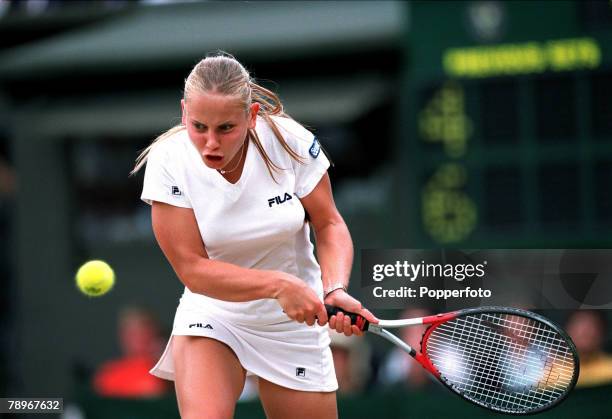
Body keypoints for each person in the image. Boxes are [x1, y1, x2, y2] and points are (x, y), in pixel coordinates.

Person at [132, 53, 377, 419]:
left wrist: (334, 289)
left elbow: (329, 224)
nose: (210, 142)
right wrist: (278, 285)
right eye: (199, 126)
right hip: (215, 313)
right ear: (184, 113)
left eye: (226, 128)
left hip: (292, 324)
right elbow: (192, 270)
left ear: (251, 117)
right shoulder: (168, 161)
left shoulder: (291, 142)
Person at [92, 306, 169, 398]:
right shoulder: (108, 374)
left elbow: (154, 388)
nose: (138, 338)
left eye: (143, 331)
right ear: (122, 335)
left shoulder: (165, 370)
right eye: (131, 333)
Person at [565, 309, 612, 388]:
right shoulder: (547, 373)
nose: (585, 331)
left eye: (592, 325)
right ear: (567, 329)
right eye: (579, 324)